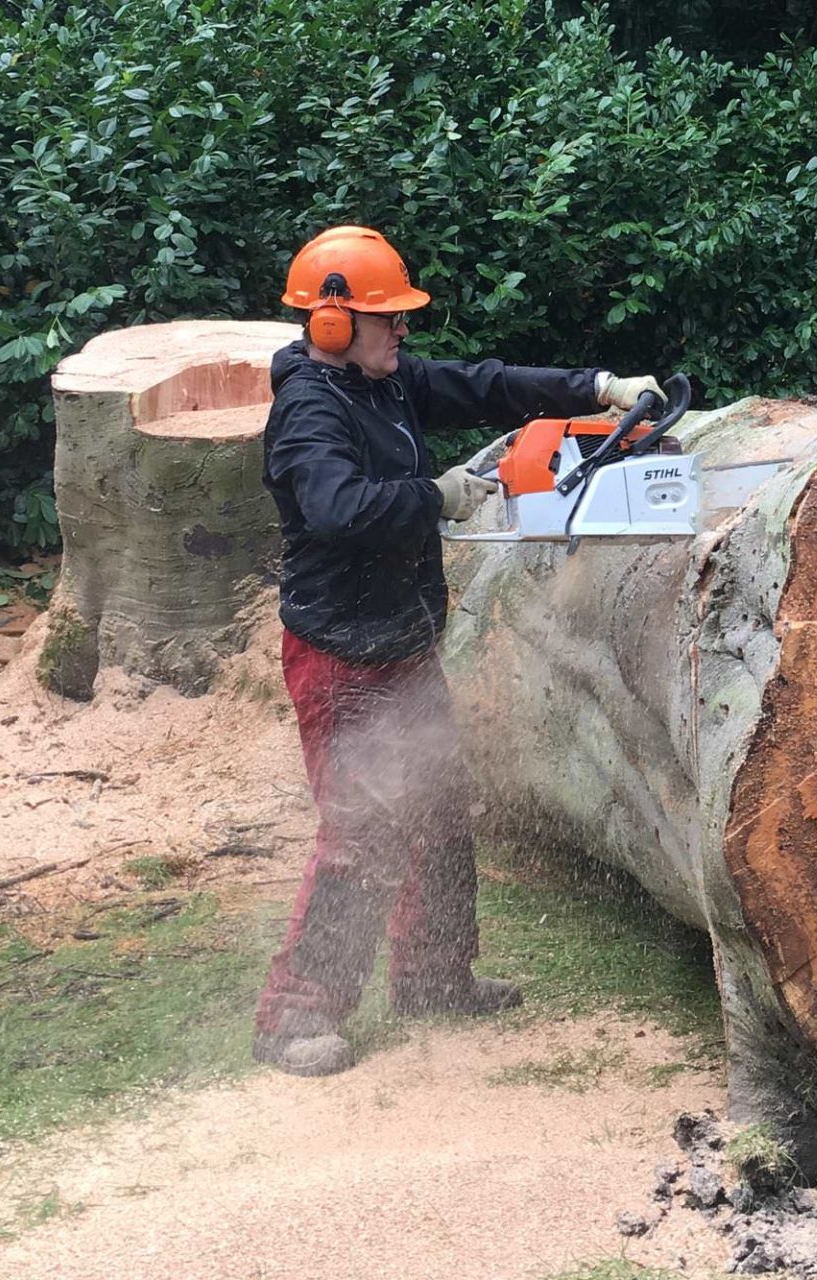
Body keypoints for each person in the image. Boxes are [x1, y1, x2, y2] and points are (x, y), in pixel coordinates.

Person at [253, 225, 662, 1076]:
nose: (403, 332)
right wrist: (432, 497)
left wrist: (598, 386)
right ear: (331, 323)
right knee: (364, 834)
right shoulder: (309, 409)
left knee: (438, 813)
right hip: (342, 653)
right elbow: (336, 508)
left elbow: (486, 384)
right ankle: (295, 1014)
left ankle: (436, 977)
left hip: (402, 639)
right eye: (386, 318)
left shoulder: (384, 383)